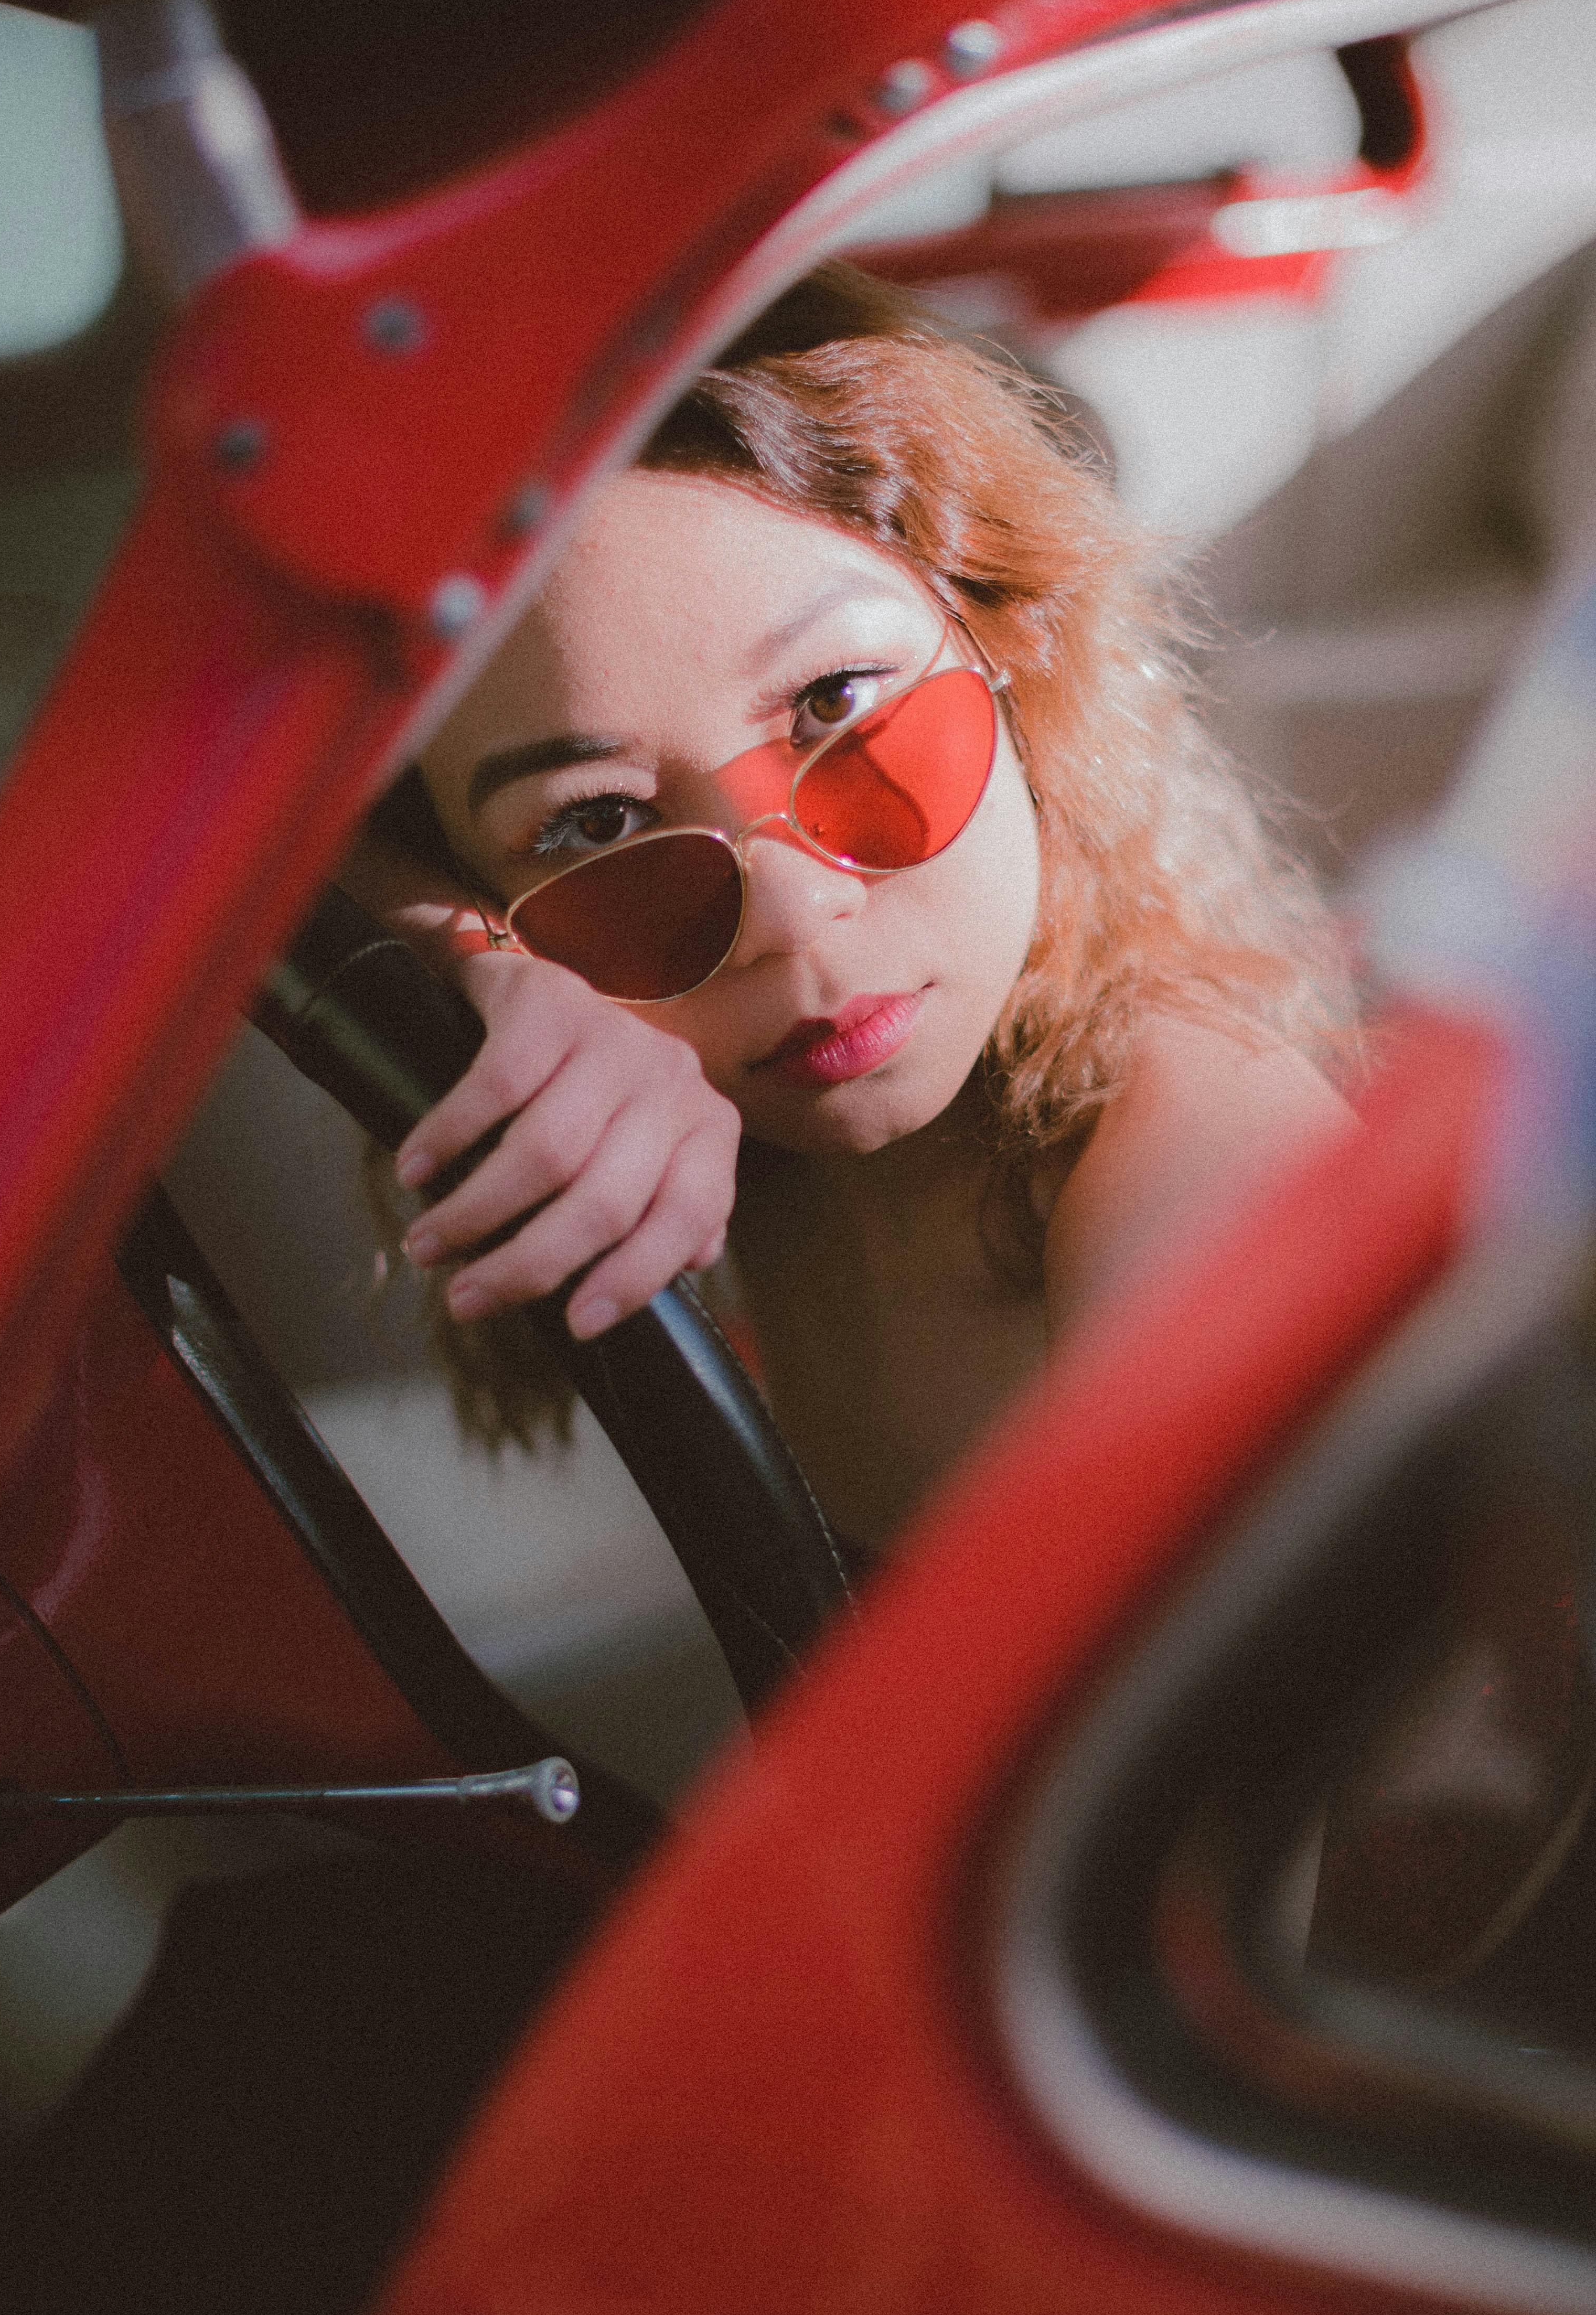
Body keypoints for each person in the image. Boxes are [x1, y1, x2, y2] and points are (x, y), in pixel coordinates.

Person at [350, 264, 1359, 1559]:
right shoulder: (738, 1128)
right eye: (596, 822)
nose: (790, 911)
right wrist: (490, 967)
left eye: (834, 704)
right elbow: (269, 835)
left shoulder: (1198, 1149)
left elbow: (1423, 1754)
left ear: (1013, 637)